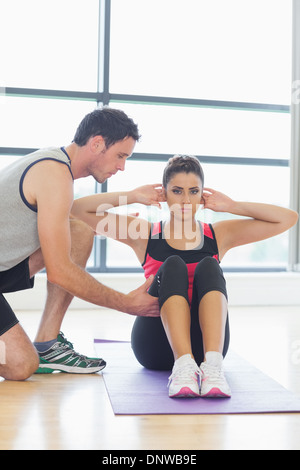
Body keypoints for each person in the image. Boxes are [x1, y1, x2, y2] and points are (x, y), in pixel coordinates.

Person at [72, 155, 298, 398]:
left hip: (206, 346)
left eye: (193, 192)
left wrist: (231, 205)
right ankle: (182, 366)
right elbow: (77, 209)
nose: (185, 200)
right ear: (164, 194)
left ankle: (212, 368)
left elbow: (288, 218)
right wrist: (133, 196)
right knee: (173, 265)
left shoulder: (218, 234)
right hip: (156, 344)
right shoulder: (143, 233)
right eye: (177, 191)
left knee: (209, 267)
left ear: (203, 196)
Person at [0, 107, 162, 381]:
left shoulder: (55, 165)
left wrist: (130, 198)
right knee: (20, 365)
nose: (122, 166)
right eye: (120, 155)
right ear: (97, 143)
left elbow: (71, 216)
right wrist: (127, 304)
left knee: (81, 231)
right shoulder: (53, 174)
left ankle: (48, 345)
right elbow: (60, 271)